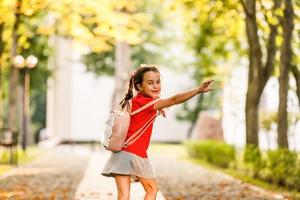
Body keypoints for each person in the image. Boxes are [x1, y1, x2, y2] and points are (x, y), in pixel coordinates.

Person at [101, 64, 214, 200]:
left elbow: (137, 119)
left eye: (158, 82)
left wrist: (157, 109)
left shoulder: (132, 102)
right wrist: (197, 90)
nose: (156, 86)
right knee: (152, 189)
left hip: (120, 153)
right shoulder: (149, 104)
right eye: (150, 83)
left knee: (124, 195)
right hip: (135, 153)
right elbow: (174, 100)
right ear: (139, 86)